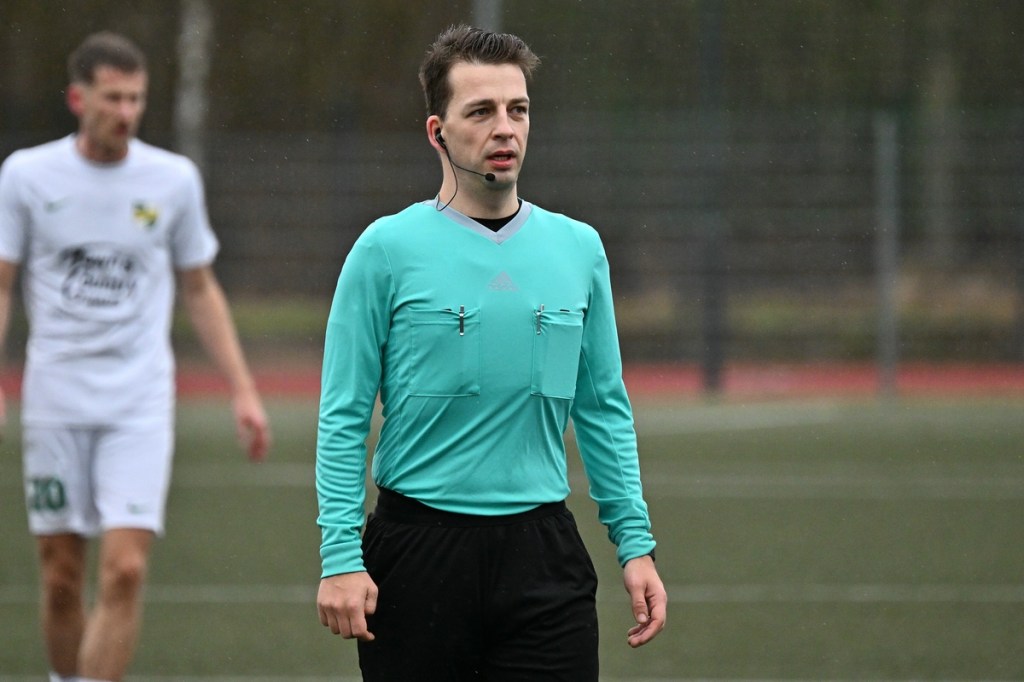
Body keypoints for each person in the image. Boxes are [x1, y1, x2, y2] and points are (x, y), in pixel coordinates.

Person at [315, 24, 666, 680]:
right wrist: (340, 555)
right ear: (437, 132)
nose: (505, 128)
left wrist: (635, 545)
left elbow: (602, 408)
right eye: (480, 111)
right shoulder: (384, 250)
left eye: (518, 109)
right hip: (415, 556)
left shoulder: (579, 249)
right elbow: (344, 413)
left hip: (543, 558)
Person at [0, 31, 271, 682]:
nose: (126, 112)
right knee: (61, 575)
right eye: (113, 98)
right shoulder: (26, 175)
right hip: (55, 400)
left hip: (138, 401)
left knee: (124, 570)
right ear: (78, 99)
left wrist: (242, 389)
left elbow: (199, 287)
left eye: (136, 99)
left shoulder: (172, 180)